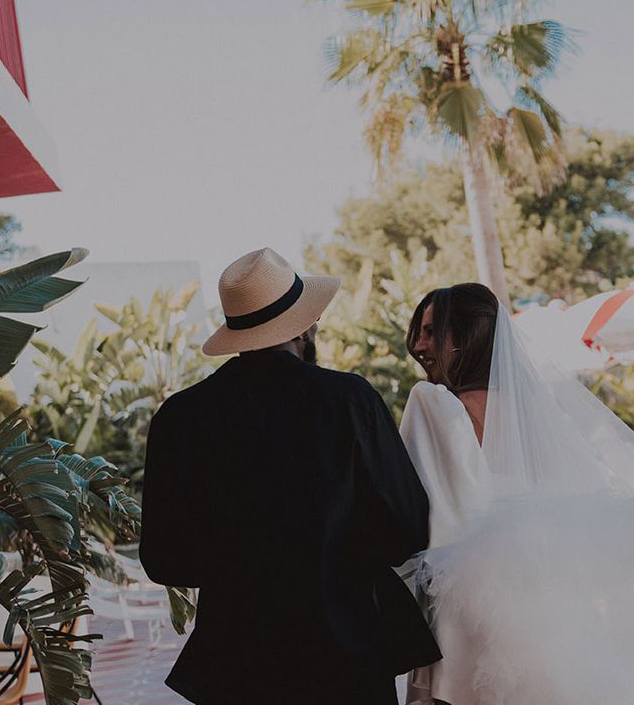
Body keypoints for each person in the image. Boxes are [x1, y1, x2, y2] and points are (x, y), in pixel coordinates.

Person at [400, 283, 634, 705]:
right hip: (554, 599)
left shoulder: (433, 404)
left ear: (469, 335)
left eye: (432, 332)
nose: (419, 345)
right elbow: (585, 499)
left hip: (471, 601)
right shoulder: (536, 411)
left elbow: (417, 511)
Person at [140, 248, 440, 705]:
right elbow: (407, 527)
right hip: (347, 652)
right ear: (303, 329)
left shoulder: (179, 417)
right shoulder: (349, 400)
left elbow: (164, 560)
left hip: (237, 663)